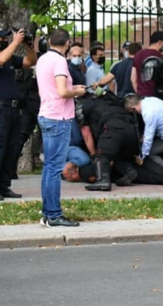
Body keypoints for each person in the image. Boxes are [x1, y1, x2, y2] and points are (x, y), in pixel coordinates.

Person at [36, 28, 85, 226]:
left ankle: (47, 213)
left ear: (49, 41)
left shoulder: (43, 59)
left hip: (46, 114)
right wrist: (78, 91)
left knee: (49, 167)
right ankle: (54, 214)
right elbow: (63, 91)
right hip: (59, 117)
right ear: (67, 44)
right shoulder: (59, 62)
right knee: (55, 168)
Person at [0, 28, 36, 200]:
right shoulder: (3, 57)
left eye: (6, 37)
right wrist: (15, 43)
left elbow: (30, 62)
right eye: (2, 37)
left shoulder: (9, 57)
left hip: (13, 109)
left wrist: (28, 46)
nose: (5, 39)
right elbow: (1, 59)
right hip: (1, 108)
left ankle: (4, 186)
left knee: (11, 148)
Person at [131, 31, 163, 97]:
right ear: (159, 42)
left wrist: (138, 92)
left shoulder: (138, 54)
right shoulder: (160, 56)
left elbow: (133, 78)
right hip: (155, 95)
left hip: (141, 94)